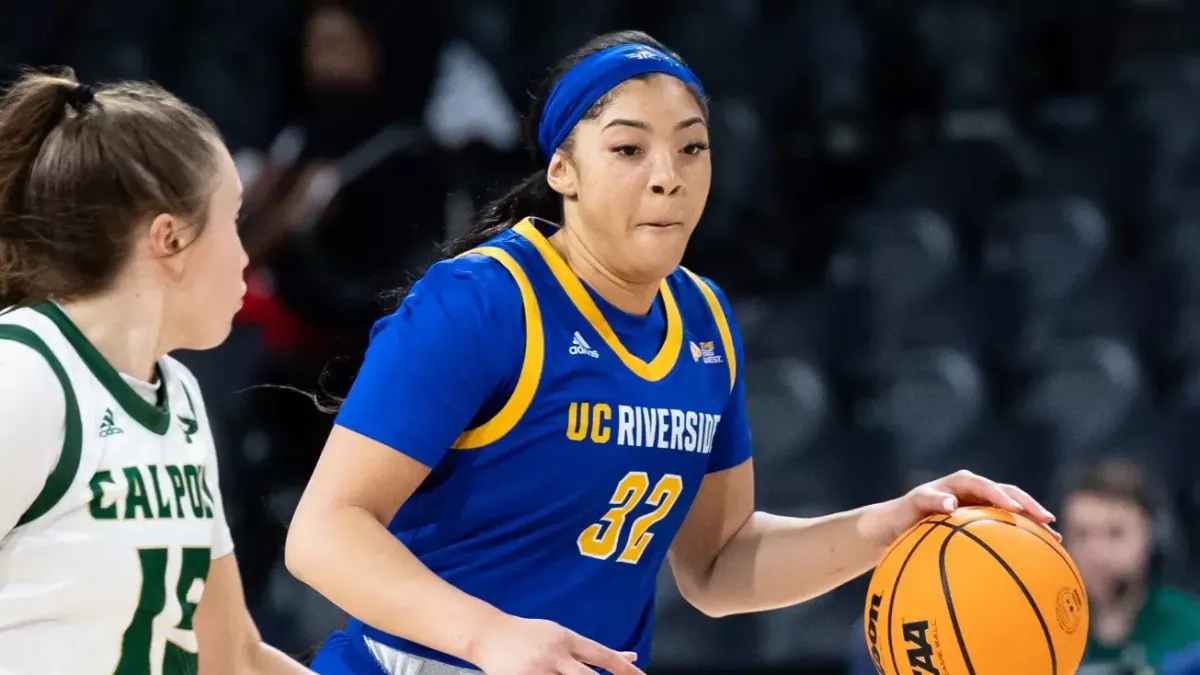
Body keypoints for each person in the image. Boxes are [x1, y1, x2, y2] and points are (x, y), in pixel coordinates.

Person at [284, 30, 1054, 675]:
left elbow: (717, 563)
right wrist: (490, 635)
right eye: (628, 149)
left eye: (693, 149)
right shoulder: (482, 302)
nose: (668, 178)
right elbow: (324, 532)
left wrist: (887, 526)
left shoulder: (705, 322)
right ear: (563, 172)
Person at [0, 69, 311, 674]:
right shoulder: (26, 377)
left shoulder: (181, 395)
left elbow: (234, 657)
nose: (248, 256)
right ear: (169, 238)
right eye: (233, 222)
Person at [1064, 458, 1200, 674]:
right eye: (1082, 534)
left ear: (1152, 539)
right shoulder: (1044, 629)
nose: (1096, 553)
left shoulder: (1191, 629)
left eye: (1115, 534)